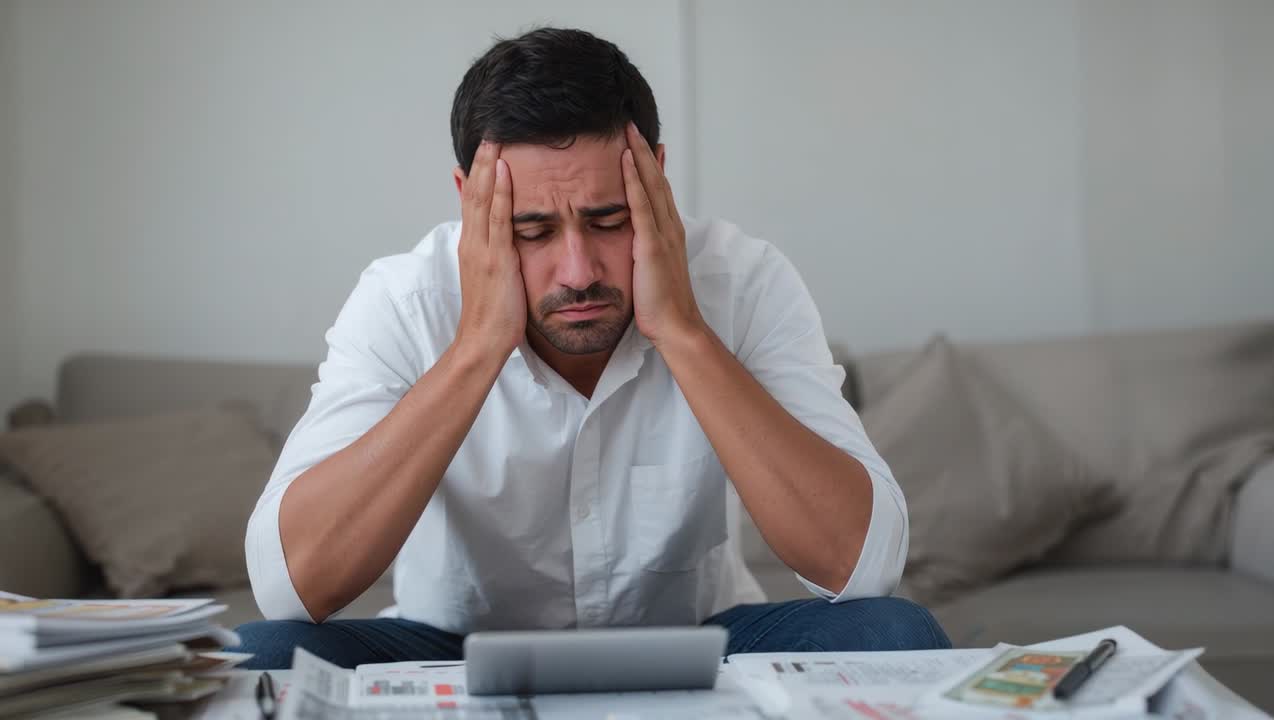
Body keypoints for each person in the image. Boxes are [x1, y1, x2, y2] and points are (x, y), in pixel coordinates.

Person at [234, 27, 949, 669]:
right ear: (470, 200)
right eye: (533, 230)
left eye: (609, 221)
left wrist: (685, 333)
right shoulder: (403, 300)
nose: (577, 272)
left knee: (896, 635)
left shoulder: (745, 281)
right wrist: (478, 347)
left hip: (700, 638)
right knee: (258, 656)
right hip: (453, 646)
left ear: (656, 180)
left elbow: (863, 568)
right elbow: (290, 585)